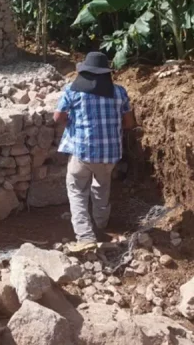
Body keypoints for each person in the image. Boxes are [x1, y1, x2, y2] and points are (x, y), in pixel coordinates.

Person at [53, 52, 137, 248]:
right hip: (109, 155)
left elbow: (58, 118)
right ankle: (101, 223)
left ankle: (85, 237)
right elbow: (129, 123)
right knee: (101, 186)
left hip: (81, 153)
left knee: (77, 191)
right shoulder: (119, 92)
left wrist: (73, 123)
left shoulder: (73, 91)